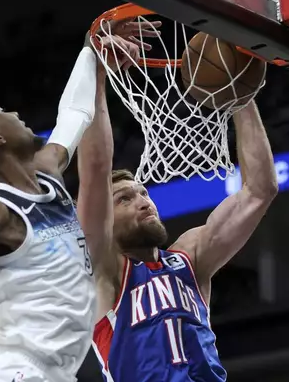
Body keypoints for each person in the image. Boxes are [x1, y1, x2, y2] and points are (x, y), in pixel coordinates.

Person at [0, 29, 146, 382]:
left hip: (55, 372)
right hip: (15, 371)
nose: (15, 112)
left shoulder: (46, 171)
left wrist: (91, 53)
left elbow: (74, 115)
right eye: (2, 111)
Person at [80, 38, 278, 381]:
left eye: (142, 193)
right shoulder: (105, 272)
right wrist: (95, 68)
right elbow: (96, 165)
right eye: (124, 199)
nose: (143, 201)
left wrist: (239, 94)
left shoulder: (188, 258)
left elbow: (260, 191)